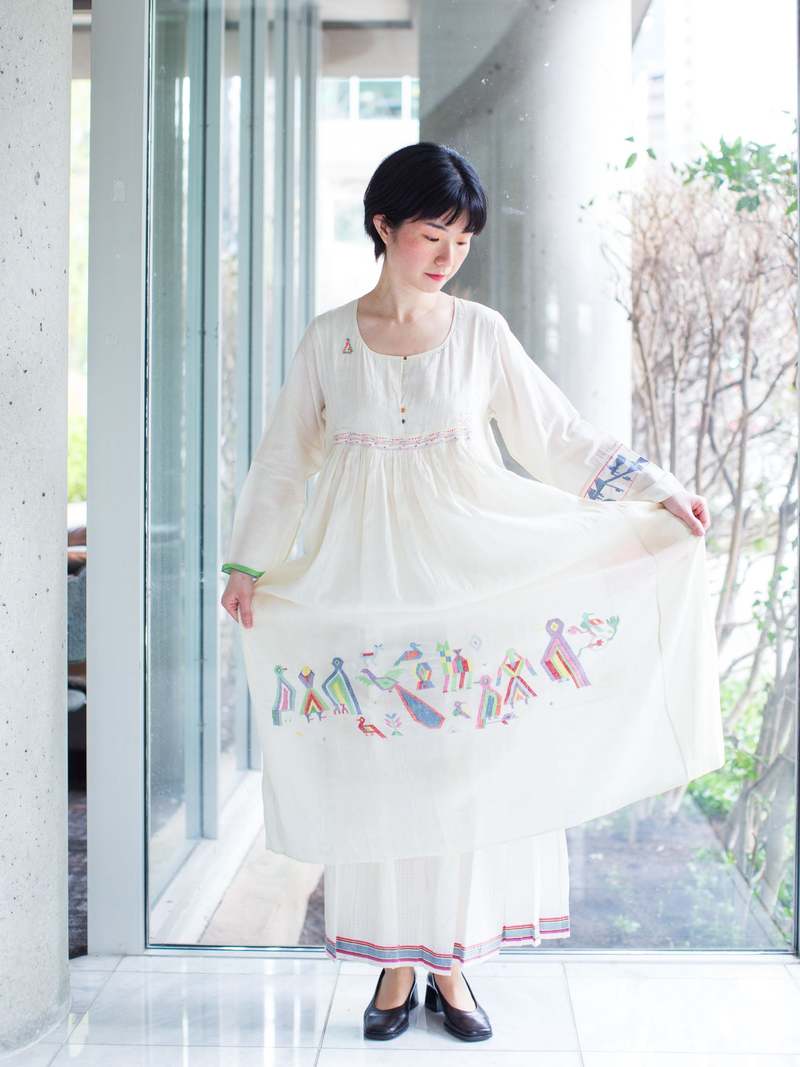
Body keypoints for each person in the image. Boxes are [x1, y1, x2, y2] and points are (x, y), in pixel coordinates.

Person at [220, 142, 723, 1042]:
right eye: (432, 234)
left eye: (462, 240)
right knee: (380, 767)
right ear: (384, 226)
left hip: (468, 586)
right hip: (363, 587)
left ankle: (449, 964)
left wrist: (654, 490)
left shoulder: (482, 333)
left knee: (459, 772)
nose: (448, 255)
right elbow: (285, 459)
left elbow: (557, 436)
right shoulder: (330, 339)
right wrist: (248, 563)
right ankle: (393, 965)